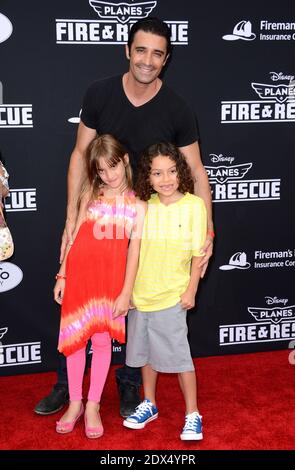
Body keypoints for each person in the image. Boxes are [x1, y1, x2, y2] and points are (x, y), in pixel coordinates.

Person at [34, 16, 214, 418]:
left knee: (131, 304)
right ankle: (67, 384)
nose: (147, 60)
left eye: (157, 53)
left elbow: (198, 171)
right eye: (141, 50)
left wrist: (209, 230)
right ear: (127, 51)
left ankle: (129, 385)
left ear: (166, 60)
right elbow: (80, 156)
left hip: (139, 224)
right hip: (94, 217)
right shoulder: (99, 93)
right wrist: (69, 219)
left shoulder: (179, 108)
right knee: (77, 303)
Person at [54, 134, 144, 438]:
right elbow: (75, 234)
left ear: (126, 160)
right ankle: (75, 402)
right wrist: (63, 273)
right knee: (75, 343)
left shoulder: (138, 205)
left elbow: (135, 251)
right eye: (102, 169)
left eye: (113, 166)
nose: (109, 174)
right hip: (79, 277)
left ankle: (93, 405)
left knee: (103, 343)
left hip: (111, 284)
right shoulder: (91, 192)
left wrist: (126, 292)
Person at [123, 142, 206, 441]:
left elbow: (199, 252)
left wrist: (192, 288)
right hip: (141, 295)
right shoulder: (145, 207)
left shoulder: (194, 205)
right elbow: (134, 251)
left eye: (171, 171)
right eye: (157, 173)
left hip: (173, 295)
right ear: (148, 176)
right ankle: (150, 403)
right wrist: (128, 290)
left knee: (181, 358)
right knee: (146, 355)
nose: (166, 179)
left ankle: (192, 413)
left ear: (180, 171)